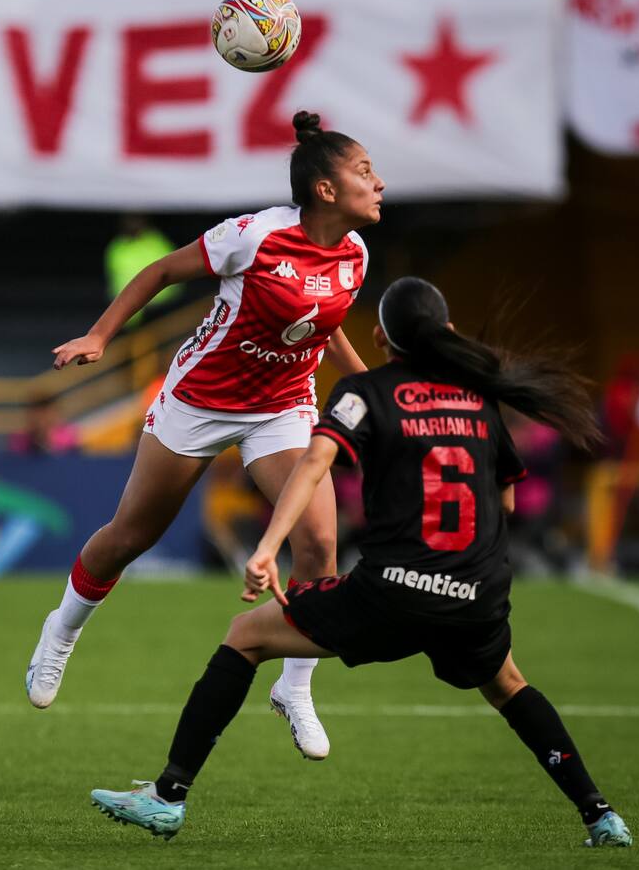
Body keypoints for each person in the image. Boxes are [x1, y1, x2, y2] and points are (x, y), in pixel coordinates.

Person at [88, 277, 632, 848]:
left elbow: (314, 465)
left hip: (390, 592)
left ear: (379, 336)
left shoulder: (364, 394)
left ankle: (168, 796)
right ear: (446, 332)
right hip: (476, 595)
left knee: (245, 636)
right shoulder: (478, 399)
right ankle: (599, 814)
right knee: (509, 686)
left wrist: (270, 546)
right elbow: (508, 500)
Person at [26, 111, 381, 761]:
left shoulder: (355, 254)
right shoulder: (253, 236)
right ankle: (62, 629)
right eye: (364, 172)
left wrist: (371, 389)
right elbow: (160, 272)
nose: (378, 183)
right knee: (130, 536)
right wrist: (100, 336)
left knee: (321, 541)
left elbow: (320, 326)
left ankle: (294, 686)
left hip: (282, 407)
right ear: (325, 189)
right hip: (200, 400)